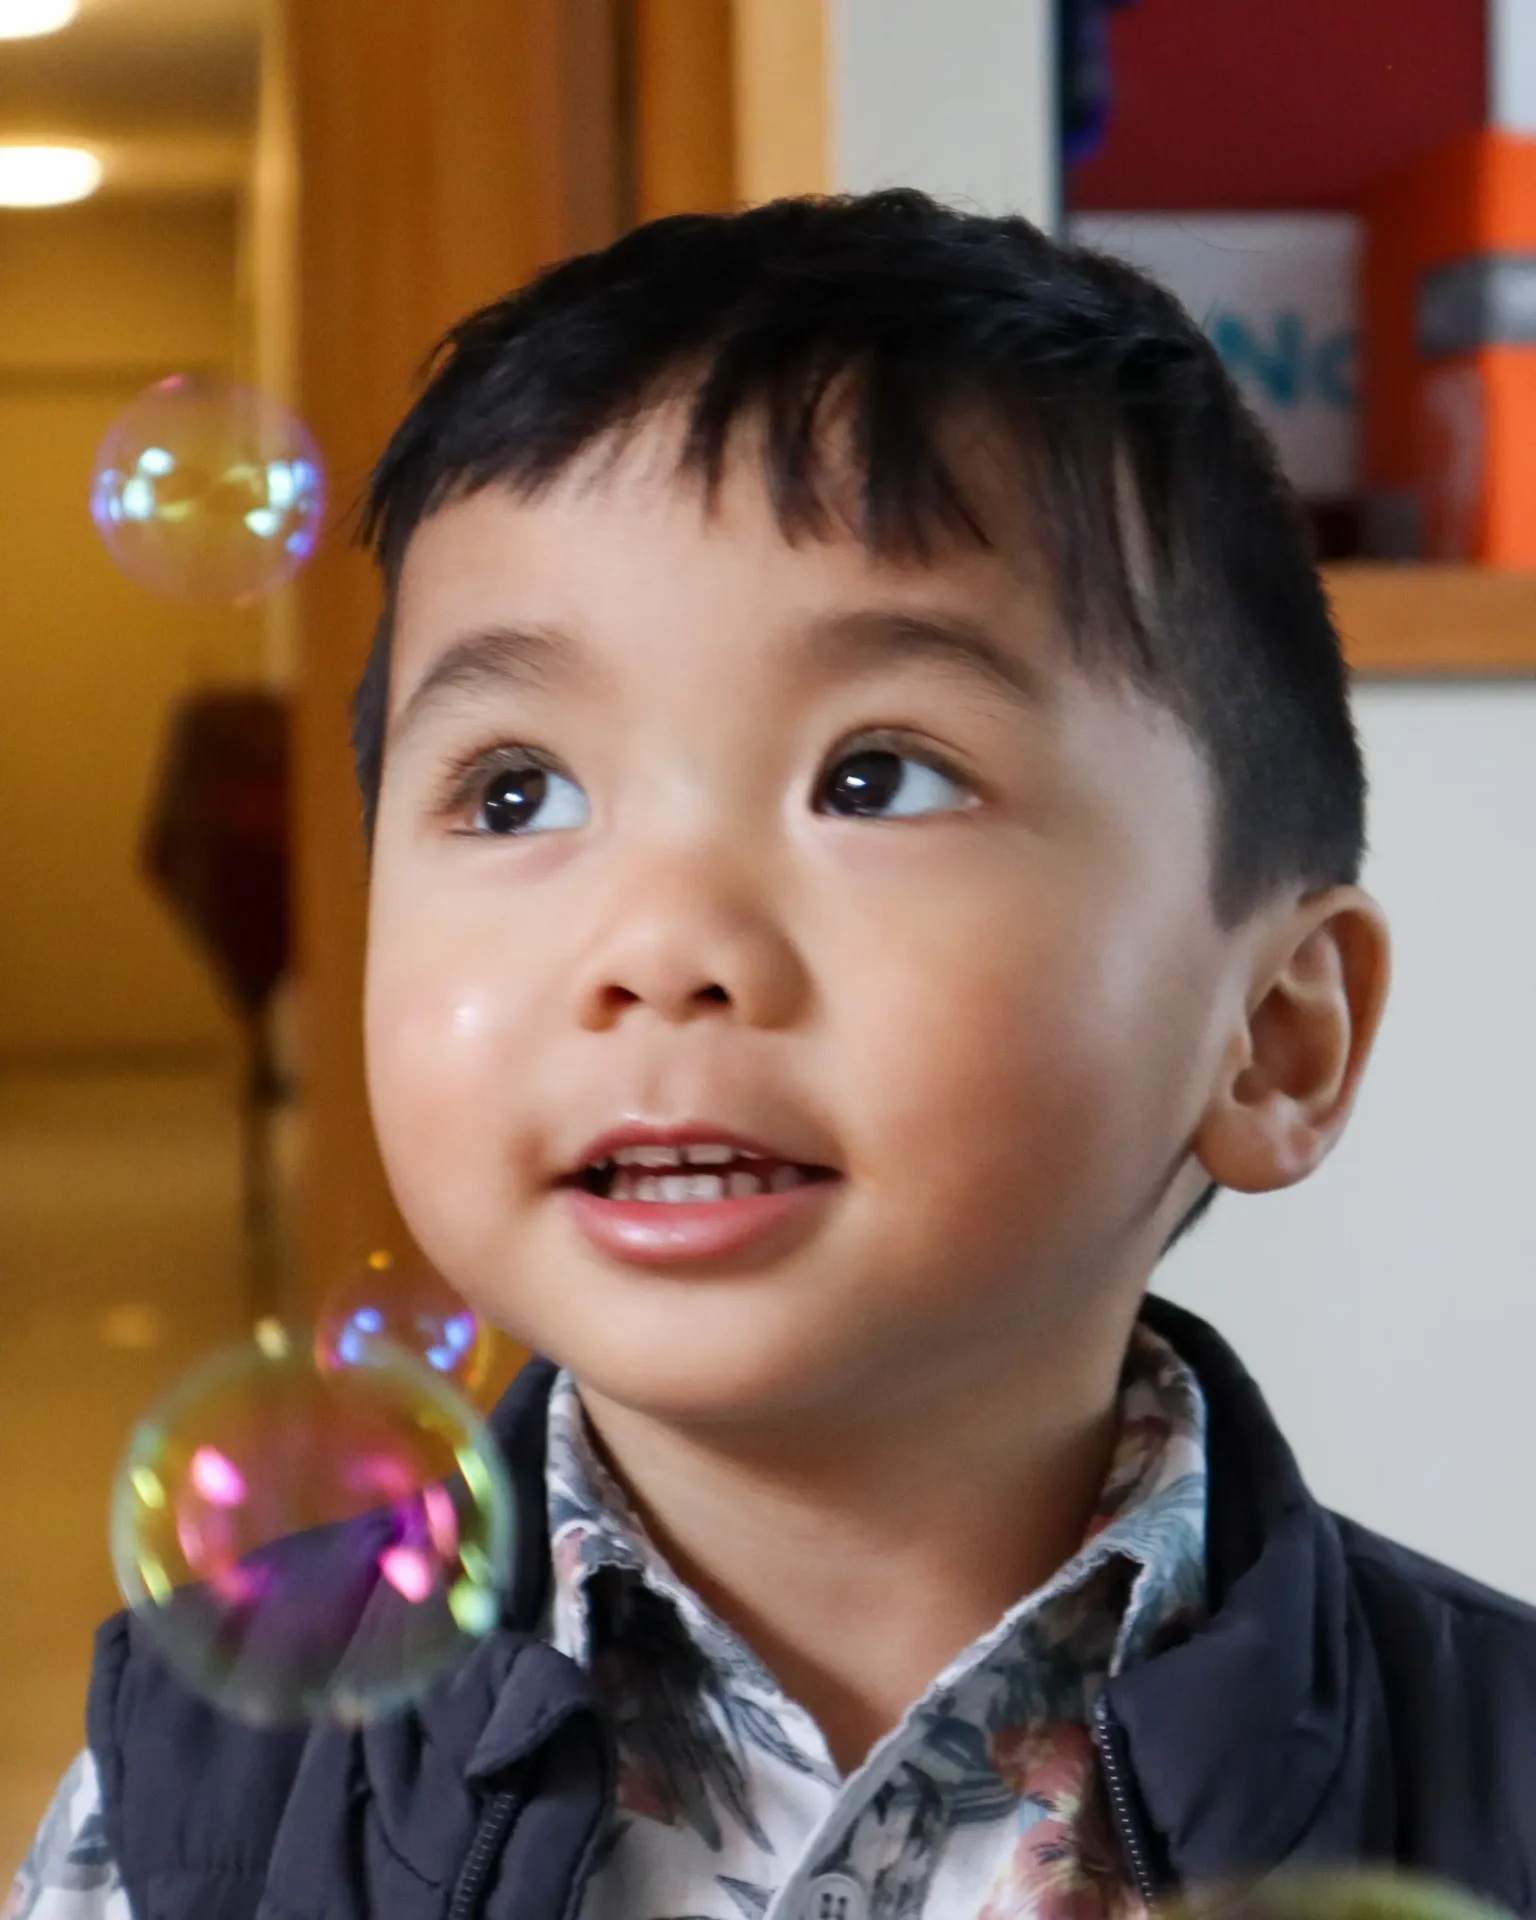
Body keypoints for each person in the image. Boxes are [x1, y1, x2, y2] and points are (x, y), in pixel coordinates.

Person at [10, 189, 1536, 1920]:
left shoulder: (1495, 1784)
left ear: (1272, 1038)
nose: (660, 947)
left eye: (877, 775)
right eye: (517, 791)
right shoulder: (197, 1791)